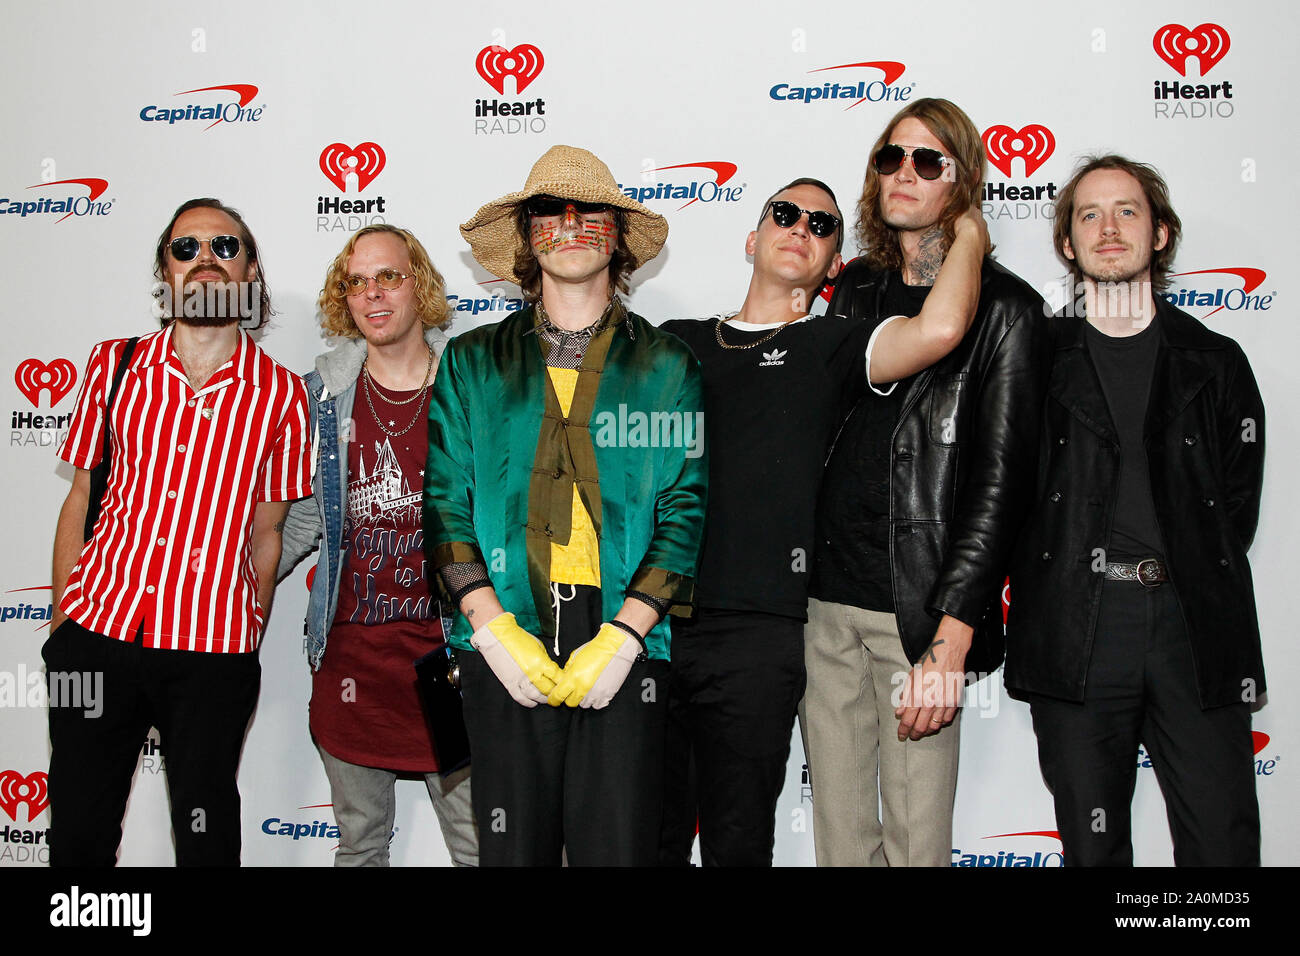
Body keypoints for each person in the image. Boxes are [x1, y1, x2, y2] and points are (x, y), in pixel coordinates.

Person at [658, 178, 986, 865]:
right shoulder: (673, 342)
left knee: (736, 846)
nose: (800, 226)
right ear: (752, 239)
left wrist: (972, 235)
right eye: (784, 213)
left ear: (833, 266)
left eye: (822, 224)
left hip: (759, 634)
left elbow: (941, 329)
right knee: (639, 840)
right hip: (649, 627)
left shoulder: (831, 346)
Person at [425, 145, 707, 866]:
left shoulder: (668, 365)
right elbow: (445, 506)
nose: (572, 224)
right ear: (527, 235)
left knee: (620, 851)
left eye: (592, 211)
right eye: (550, 209)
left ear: (617, 234)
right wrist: (490, 630)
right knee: (511, 854)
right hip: (503, 625)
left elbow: (684, 513)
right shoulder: (470, 361)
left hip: (625, 632)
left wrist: (626, 636)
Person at [802, 98, 1049, 866]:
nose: (904, 173)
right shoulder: (853, 290)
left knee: (916, 847)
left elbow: (1002, 485)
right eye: (891, 157)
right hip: (823, 607)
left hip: (918, 617)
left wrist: (952, 641)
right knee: (841, 844)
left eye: (928, 160)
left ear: (961, 181)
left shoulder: (1008, 309)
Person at [1005, 155, 1265, 866]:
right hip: (1077, 629)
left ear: (1159, 234)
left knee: (1223, 850)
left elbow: (1232, 508)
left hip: (1194, 629)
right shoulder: (1034, 361)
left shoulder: (1216, 361)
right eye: (1088, 214)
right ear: (1067, 242)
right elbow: (1004, 498)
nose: (1108, 227)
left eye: (1127, 211)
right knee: (1094, 853)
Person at [46, 197, 310, 865]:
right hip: (97, 635)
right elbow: (80, 499)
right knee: (78, 836)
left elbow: (268, 535)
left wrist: (245, 636)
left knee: (206, 840)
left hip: (211, 656)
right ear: (166, 272)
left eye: (225, 247)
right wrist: (62, 629)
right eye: (185, 248)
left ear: (250, 273)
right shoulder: (113, 365)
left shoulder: (282, 395)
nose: (205, 262)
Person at [278, 225, 477, 866]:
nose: (373, 293)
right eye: (357, 281)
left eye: (388, 275)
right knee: (360, 845)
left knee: (481, 846)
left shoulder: (466, 388)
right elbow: (307, 522)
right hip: (351, 664)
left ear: (419, 282)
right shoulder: (323, 397)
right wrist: (225, 592)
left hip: (444, 665)